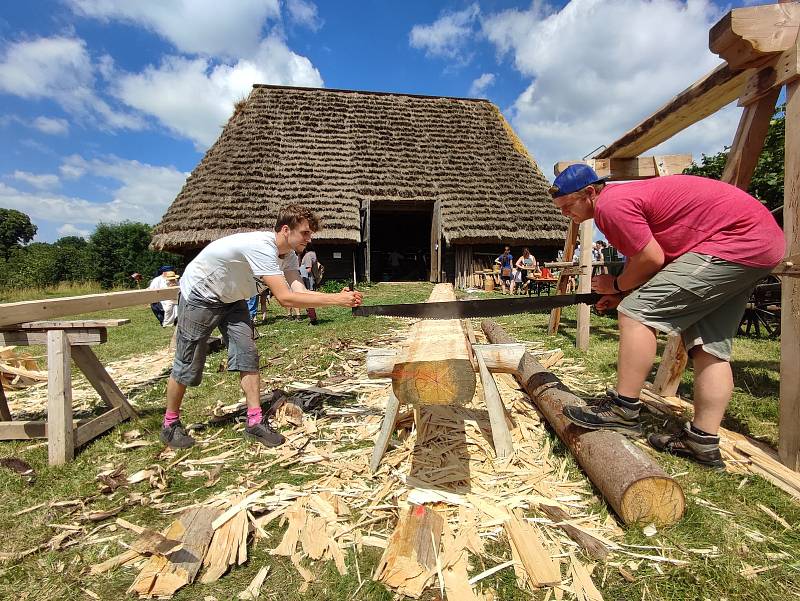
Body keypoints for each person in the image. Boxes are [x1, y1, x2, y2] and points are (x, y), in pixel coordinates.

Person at [549, 163, 784, 468]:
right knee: (708, 344)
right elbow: (652, 261)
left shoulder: (611, 204)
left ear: (590, 193)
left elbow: (651, 258)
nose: (567, 214)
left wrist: (618, 286)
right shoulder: (625, 198)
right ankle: (702, 443)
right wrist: (622, 291)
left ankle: (623, 409)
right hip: (758, 244)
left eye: (568, 206)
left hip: (735, 242)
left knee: (635, 314)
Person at [159, 204, 363, 450]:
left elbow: (298, 289)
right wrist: (335, 300)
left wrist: (334, 298)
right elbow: (285, 298)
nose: (310, 239)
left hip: (232, 298)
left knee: (247, 354)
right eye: (305, 233)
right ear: (286, 230)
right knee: (188, 362)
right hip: (201, 295)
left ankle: (254, 421)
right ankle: (170, 424)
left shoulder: (287, 254)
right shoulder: (263, 248)